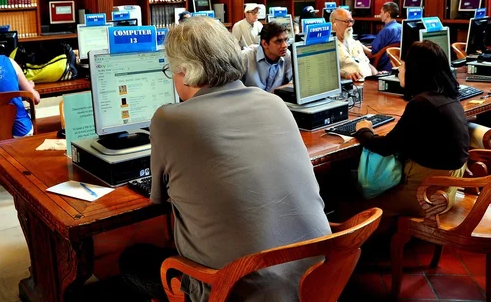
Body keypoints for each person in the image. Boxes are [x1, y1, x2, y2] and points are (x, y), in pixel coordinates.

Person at [115, 16, 331, 302]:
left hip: (234, 289)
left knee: (133, 258)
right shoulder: (273, 102)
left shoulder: (169, 119)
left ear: (183, 70)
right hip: (317, 277)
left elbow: (158, 198)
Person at [350, 40, 469, 233]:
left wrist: (363, 129)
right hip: (445, 191)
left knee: (351, 208)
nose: (398, 69)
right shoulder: (447, 97)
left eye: (402, 64)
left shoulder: (421, 104)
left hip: (425, 195)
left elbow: (386, 146)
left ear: (416, 70)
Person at [242, 21, 293, 92]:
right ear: (265, 44)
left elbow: (294, 82)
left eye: (286, 40)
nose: (285, 45)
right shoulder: (245, 57)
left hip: (274, 100)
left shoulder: (287, 55)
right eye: (278, 41)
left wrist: (275, 92)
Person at [331, 7, 377, 81]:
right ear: (334, 24)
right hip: (353, 85)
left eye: (351, 21)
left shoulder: (355, 43)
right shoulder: (330, 46)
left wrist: (377, 77)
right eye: (346, 21)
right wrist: (345, 74)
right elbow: (329, 71)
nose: (350, 25)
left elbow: (367, 64)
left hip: (369, 82)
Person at [362, 2, 401, 72]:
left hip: (383, 65)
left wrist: (360, 46)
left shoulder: (386, 30)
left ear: (387, 15)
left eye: (381, 12)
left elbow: (372, 53)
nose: (380, 15)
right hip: (396, 64)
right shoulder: (401, 27)